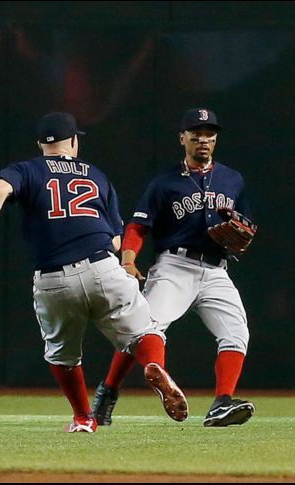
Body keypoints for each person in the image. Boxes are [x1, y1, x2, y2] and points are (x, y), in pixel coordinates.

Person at [0, 112, 188, 433]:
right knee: (145, 333)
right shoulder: (96, 176)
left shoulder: (28, 169)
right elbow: (114, 239)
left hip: (54, 279)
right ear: (74, 141)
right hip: (102, 267)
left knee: (62, 355)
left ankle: (84, 418)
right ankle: (153, 365)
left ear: (42, 144)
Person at [92, 107, 255, 427]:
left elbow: (247, 224)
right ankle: (109, 391)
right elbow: (139, 226)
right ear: (183, 139)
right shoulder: (164, 182)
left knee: (236, 333)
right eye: (196, 134)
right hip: (175, 266)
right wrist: (128, 260)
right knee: (143, 329)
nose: (203, 140)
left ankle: (222, 403)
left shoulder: (232, 179)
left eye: (209, 134)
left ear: (216, 139)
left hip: (216, 270)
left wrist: (243, 227)